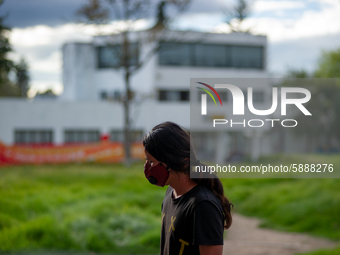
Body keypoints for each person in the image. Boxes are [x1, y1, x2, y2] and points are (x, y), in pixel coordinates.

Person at [143, 121, 232, 255]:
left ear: (169, 160)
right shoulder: (171, 193)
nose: (147, 168)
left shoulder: (203, 205)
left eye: (151, 161)